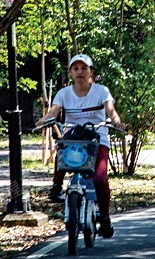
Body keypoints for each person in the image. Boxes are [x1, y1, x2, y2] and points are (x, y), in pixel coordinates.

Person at [36, 54, 123, 238]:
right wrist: (43, 120)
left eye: (84, 68)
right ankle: (56, 186)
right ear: (70, 73)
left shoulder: (101, 91)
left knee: (100, 178)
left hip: (97, 140)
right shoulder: (64, 93)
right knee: (63, 149)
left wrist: (116, 121)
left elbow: (111, 111)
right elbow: (53, 112)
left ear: (91, 72)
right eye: (75, 69)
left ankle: (105, 218)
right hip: (74, 139)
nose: (80, 72)